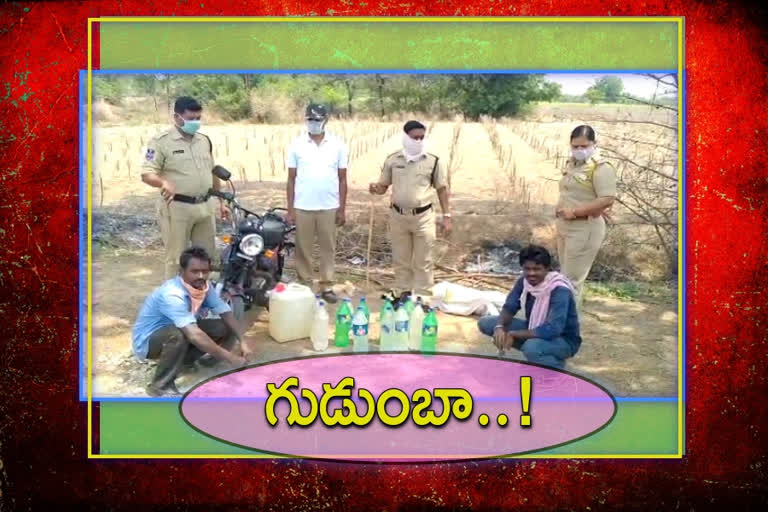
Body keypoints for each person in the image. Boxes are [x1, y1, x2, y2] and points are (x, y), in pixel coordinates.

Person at [131, 246, 252, 397]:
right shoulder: (172, 294)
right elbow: (194, 335)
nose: (201, 276)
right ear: (182, 272)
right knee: (177, 335)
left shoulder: (203, 287)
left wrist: (243, 341)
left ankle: (184, 362)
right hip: (149, 341)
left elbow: (224, 311)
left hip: (180, 328)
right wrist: (230, 358)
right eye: (194, 271)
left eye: (205, 271)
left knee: (222, 327)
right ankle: (160, 386)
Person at [141, 96, 229, 280]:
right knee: (176, 258)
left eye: (198, 118)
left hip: (205, 207)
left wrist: (221, 202)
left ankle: (203, 296)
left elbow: (212, 172)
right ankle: (174, 300)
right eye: (191, 118)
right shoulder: (160, 142)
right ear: (177, 117)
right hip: (177, 208)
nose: (196, 122)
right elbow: (147, 174)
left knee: (207, 257)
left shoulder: (204, 141)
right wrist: (162, 183)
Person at [369, 120, 452, 300]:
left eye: (422, 137)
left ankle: (423, 296)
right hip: (398, 217)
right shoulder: (393, 160)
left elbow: (442, 189)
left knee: (424, 260)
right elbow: (383, 186)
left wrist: (447, 216)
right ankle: (402, 292)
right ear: (405, 137)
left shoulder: (433, 161)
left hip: (424, 217)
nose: (419, 141)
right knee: (401, 259)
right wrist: (376, 188)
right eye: (415, 137)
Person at [477, 245, 581, 370]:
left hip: (563, 339)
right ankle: (541, 357)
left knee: (531, 347)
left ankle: (555, 371)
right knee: (486, 323)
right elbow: (510, 306)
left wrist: (513, 334)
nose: (531, 273)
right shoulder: (524, 281)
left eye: (537, 269)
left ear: (547, 269)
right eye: (527, 269)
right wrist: (499, 327)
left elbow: (553, 329)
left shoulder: (559, 289)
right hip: (534, 327)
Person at [285, 103, 349, 304]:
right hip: (303, 205)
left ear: (326, 120)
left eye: (317, 120)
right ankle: (304, 284)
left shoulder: (338, 145)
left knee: (327, 247)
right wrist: (290, 208)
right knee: (303, 248)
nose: (313, 123)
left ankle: (327, 285)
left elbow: (342, 179)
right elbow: (291, 179)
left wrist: (342, 208)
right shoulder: (297, 145)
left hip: (329, 206)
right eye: (310, 119)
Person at [555, 125, 617, 309]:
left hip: (585, 228)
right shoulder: (571, 164)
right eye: (575, 146)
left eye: (584, 146)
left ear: (594, 144)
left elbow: (607, 198)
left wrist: (575, 212)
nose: (579, 150)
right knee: (564, 277)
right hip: (566, 226)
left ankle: (567, 329)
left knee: (571, 282)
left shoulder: (600, 167)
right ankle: (562, 322)